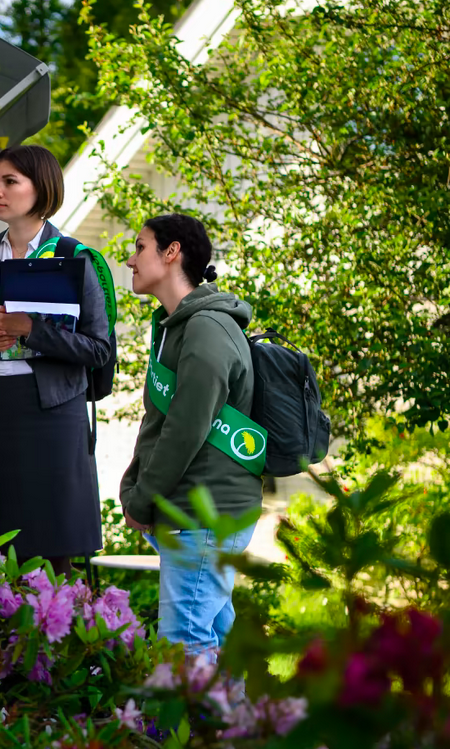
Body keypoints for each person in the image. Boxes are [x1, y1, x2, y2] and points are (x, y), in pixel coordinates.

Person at [0, 144, 112, 575]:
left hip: (54, 413)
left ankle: (53, 636)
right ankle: (7, 641)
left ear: (39, 189)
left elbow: (99, 350)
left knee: (53, 546)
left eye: (10, 181)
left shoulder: (73, 256)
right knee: (2, 546)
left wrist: (31, 329)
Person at [119, 213, 262, 657]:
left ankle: (193, 729)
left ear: (172, 252)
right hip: (193, 510)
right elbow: (159, 420)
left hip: (204, 512)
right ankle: (235, 724)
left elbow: (186, 430)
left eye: (140, 247)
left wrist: (143, 496)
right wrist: (134, 483)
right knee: (215, 641)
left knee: (185, 644)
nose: (130, 259)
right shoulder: (173, 326)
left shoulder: (206, 329)